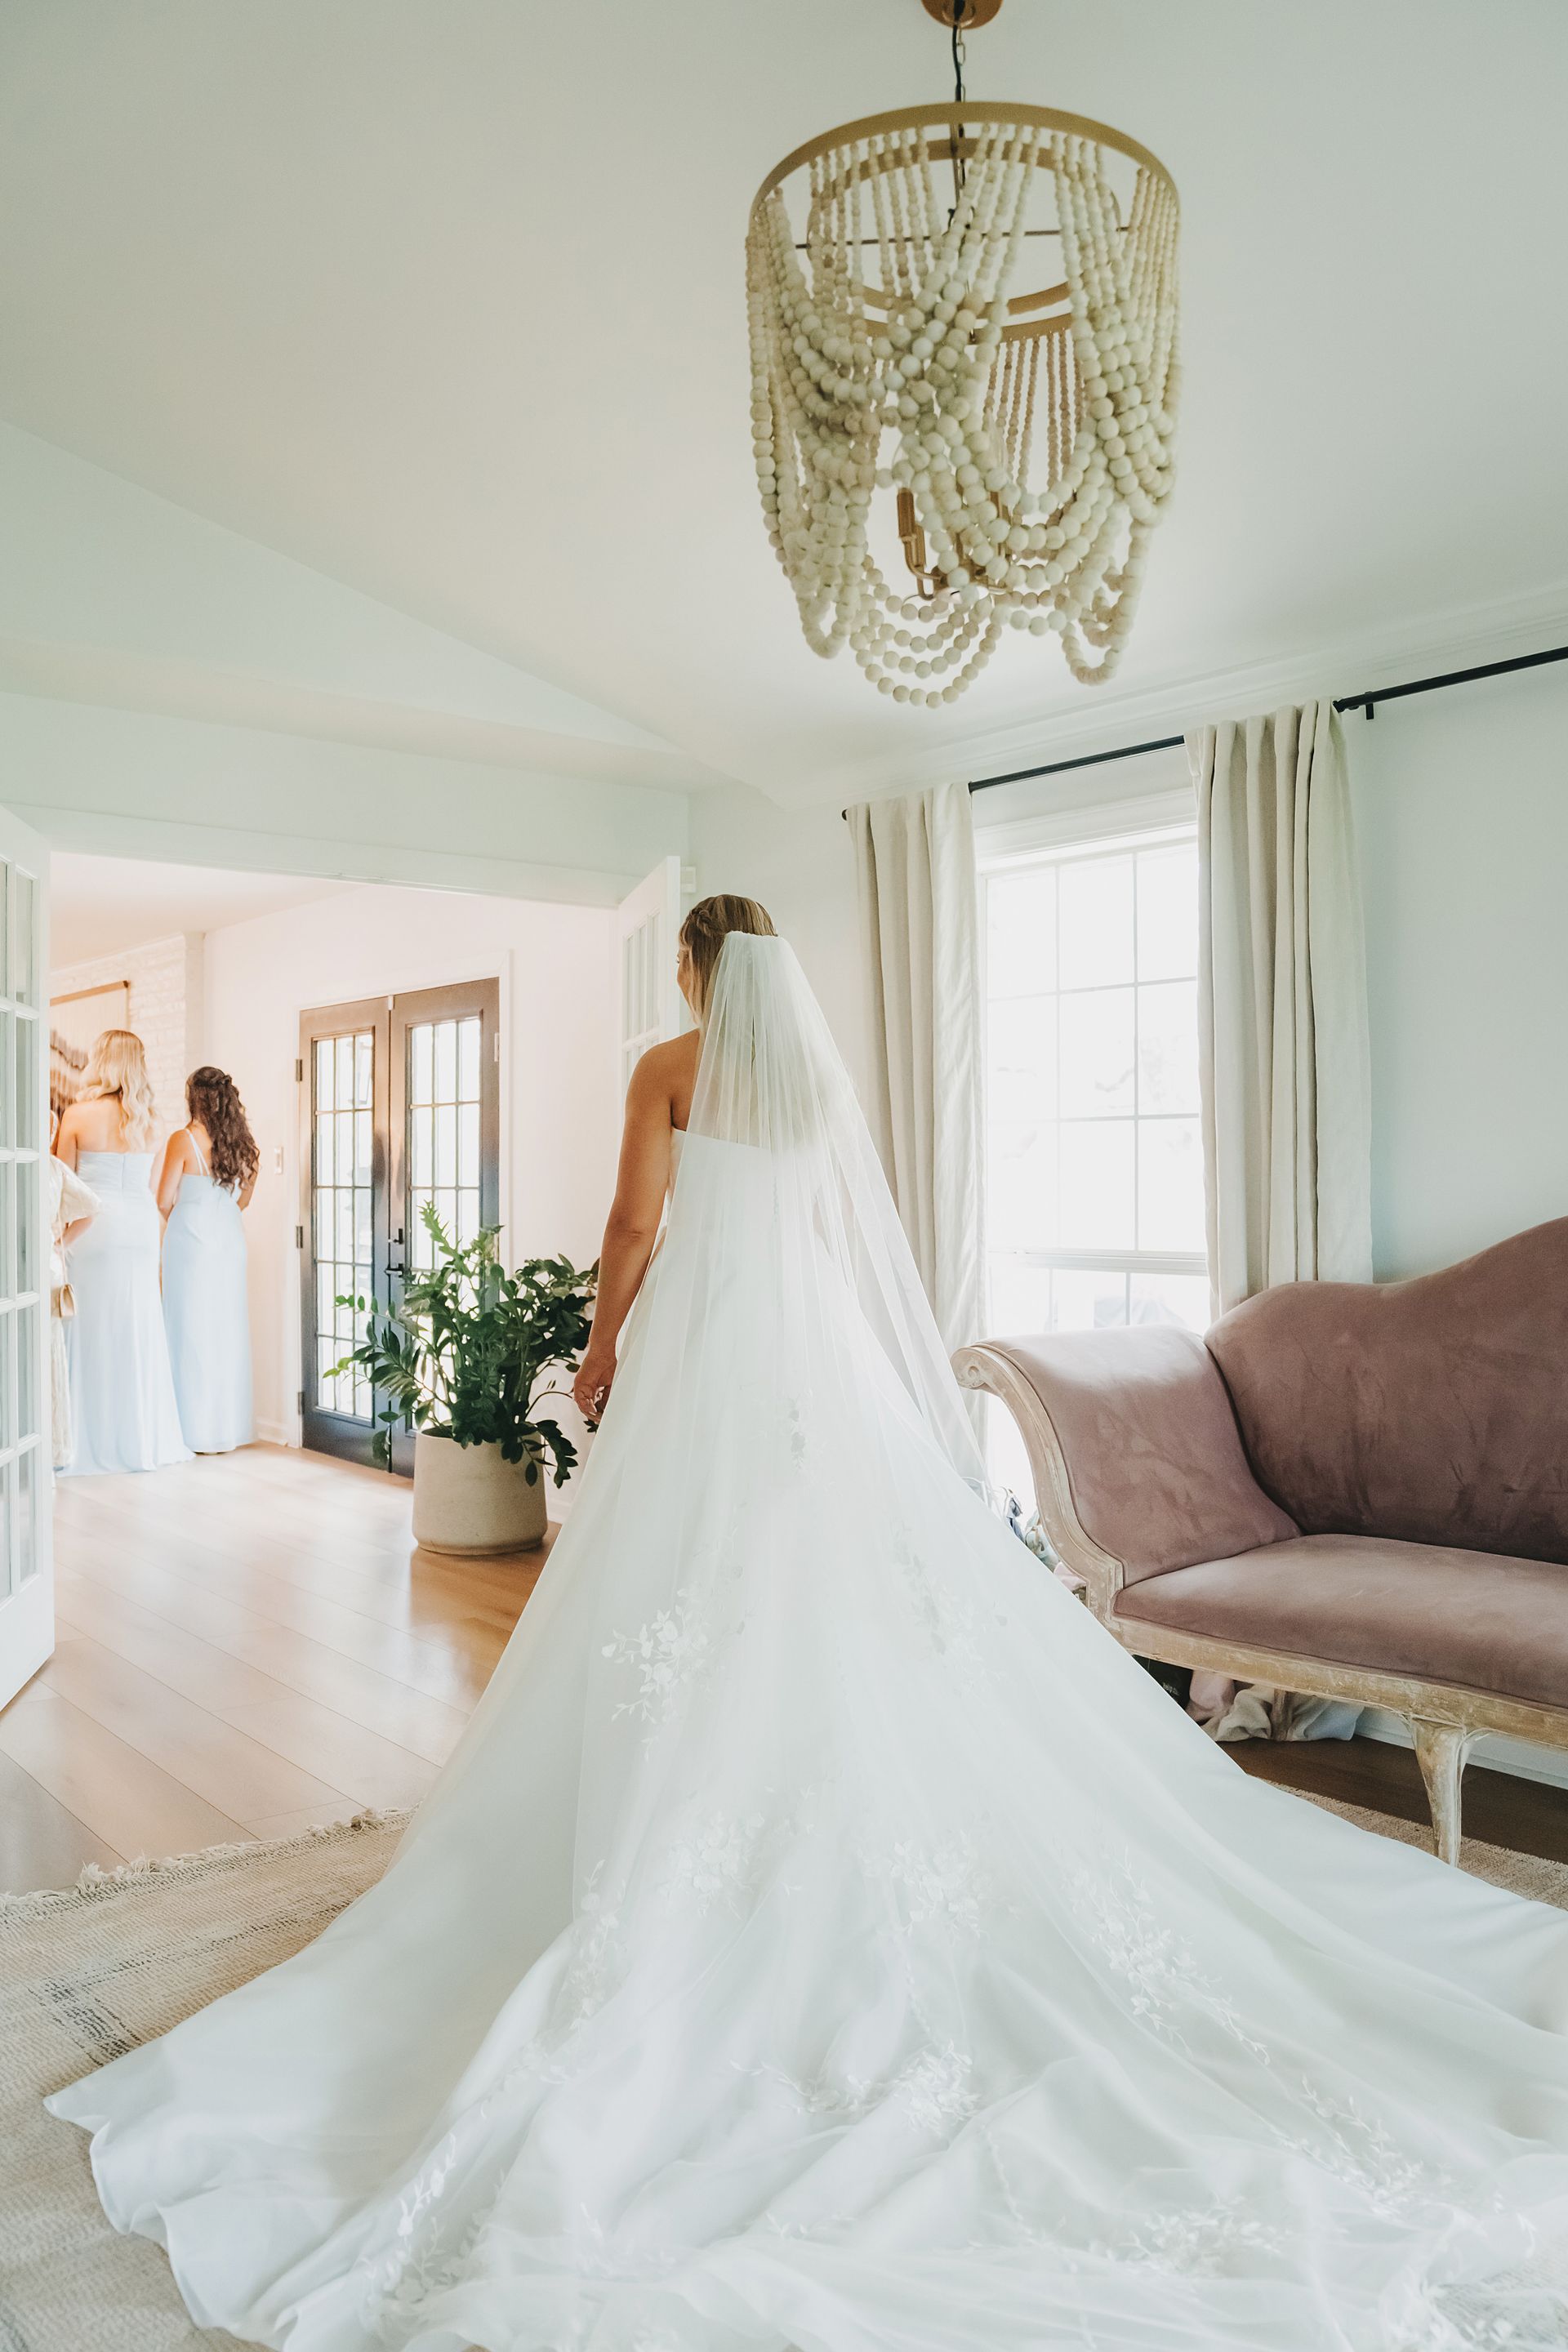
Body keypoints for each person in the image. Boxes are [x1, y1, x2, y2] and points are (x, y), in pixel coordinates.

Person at [47, 904, 1568, 2351]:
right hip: (809, 1362)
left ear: (702, 974)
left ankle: (695, 1832)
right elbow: (839, 1236)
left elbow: (633, 1223)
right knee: (834, 1598)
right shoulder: (815, 1076)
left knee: (681, 1593)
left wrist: (602, 1347)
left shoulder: (675, 1066)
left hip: (716, 1351)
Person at [54, 1030, 190, 1477]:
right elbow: (150, 1190)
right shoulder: (150, 1119)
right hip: (140, 1229)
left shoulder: (77, 1115)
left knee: (89, 1329)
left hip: (95, 1230)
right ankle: (141, 1439)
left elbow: (61, 1186)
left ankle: (81, 1439)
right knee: (137, 1327)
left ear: (100, 1062)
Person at [157, 1066, 258, 1455]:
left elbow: (164, 1200)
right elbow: (244, 1200)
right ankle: (224, 1429)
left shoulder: (183, 1139)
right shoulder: (243, 1143)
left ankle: (190, 1429)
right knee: (225, 1329)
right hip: (229, 1241)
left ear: (194, 1098)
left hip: (191, 1244)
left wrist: (186, 1221)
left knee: (188, 1331)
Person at [46, 1116, 99, 1468]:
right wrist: (58, 1244)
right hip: (46, 1266)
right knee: (49, 1358)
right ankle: (52, 1446)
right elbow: (92, 1207)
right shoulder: (52, 1168)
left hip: (30, 1270)